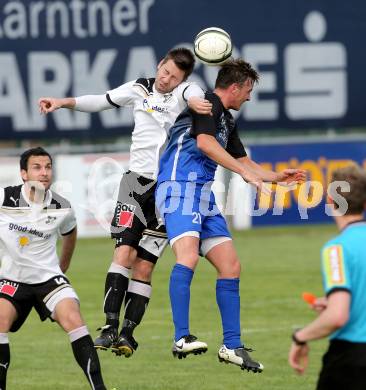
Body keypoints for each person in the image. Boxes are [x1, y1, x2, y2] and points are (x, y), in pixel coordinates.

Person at [38, 48, 212, 357]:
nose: (166, 79)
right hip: (135, 184)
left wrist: (198, 100)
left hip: (167, 191)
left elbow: (196, 92)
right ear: (160, 64)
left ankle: (127, 336)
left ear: (182, 79)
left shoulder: (186, 91)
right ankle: (108, 328)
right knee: (124, 253)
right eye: (165, 71)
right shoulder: (138, 88)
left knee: (144, 266)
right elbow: (100, 100)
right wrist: (63, 102)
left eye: (174, 77)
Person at [156, 59, 306, 372]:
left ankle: (232, 346)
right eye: (248, 90)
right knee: (188, 257)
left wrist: (276, 177)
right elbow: (205, 143)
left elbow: (243, 160)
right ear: (234, 87)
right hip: (178, 187)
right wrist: (244, 174)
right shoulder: (207, 104)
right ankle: (181, 337)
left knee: (231, 265)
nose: (249, 98)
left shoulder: (226, 119)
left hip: (203, 195)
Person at [0, 147, 106, 390]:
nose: (44, 173)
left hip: (49, 279)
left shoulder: (62, 206)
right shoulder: (4, 198)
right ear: (23, 174)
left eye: (48, 167)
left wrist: (62, 268)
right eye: (37, 167)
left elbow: (70, 233)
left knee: (75, 320)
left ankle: (99, 388)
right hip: (12, 280)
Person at [288, 164, 366, 390]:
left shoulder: (337, 249)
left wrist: (300, 337)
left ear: (330, 201)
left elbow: (338, 316)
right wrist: (334, 301)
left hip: (352, 360)